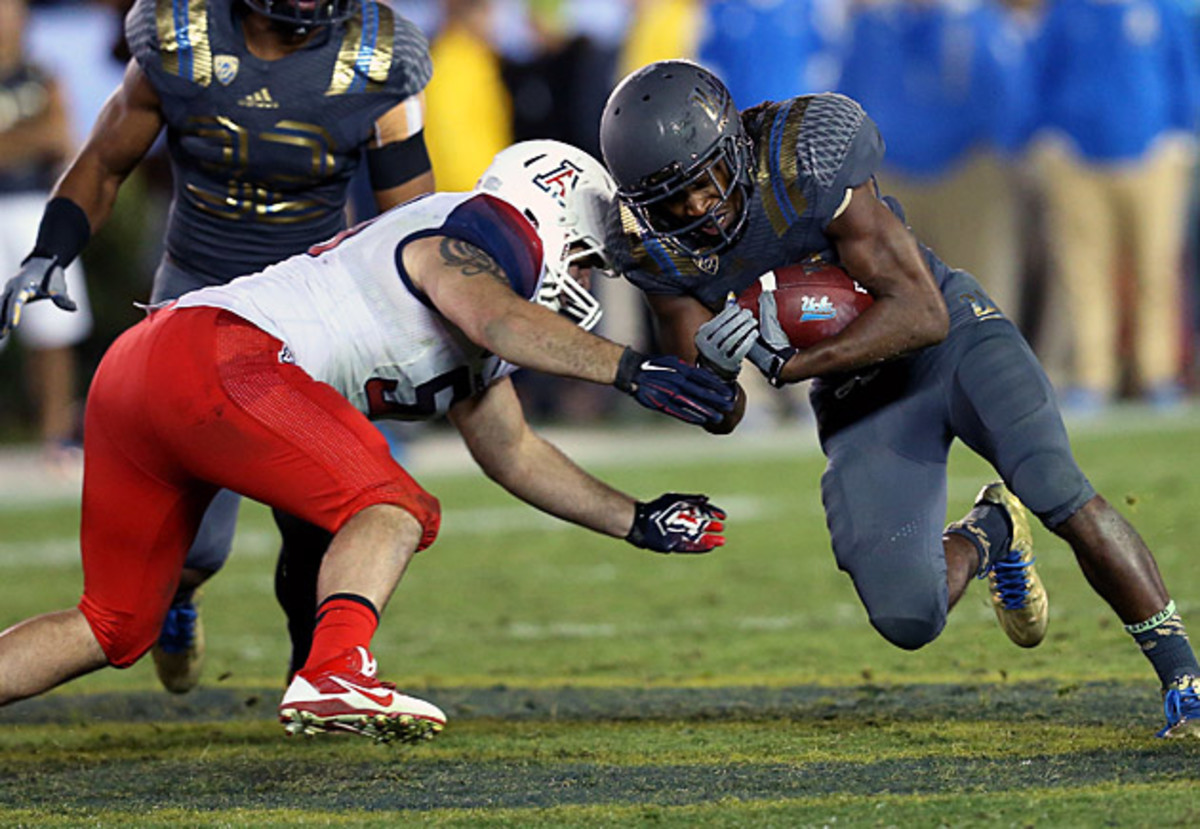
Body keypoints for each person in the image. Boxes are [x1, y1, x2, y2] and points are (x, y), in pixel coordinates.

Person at [0, 139, 735, 742]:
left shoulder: (491, 297)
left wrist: (636, 519)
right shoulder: (489, 231)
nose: (579, 279)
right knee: (392, 502)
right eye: (583, 259)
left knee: (114, 625)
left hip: (147, 367)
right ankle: (335, 671)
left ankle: (328, 667)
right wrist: (629, 370)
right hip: (217, 355)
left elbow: (514, 450)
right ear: (556, 217)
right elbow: (498, 320)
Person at [599, 59, 1200, 738]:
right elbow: (722, 411)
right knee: (908, 615)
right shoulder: (660, 256)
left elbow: (920, 313)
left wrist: (795, 364)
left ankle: (1185, 677)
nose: (697, 210)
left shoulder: (801, 157)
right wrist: (711, 369)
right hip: (861, 396)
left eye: (703, 184)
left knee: (1055, 485)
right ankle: (988, 532)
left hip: (951, 342)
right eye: (672, 202)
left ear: (733, 148)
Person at [0, 0, 439, 696]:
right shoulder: (182, 41)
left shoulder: (379, 62)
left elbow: (413, 221)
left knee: (322, 518)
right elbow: (105, 162)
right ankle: (178, 596)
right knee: (195, 549)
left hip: (313, 315)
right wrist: (51, 250)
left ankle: (313, 671)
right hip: (196, 306)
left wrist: (428, 319)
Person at [0, 0, 95, 475]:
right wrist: (26, 138)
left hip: (35, 205)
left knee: (52, 328)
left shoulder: (41, 75)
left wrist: (16, 140)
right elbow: (42, 136)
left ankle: (56, 437)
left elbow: (61, 137)